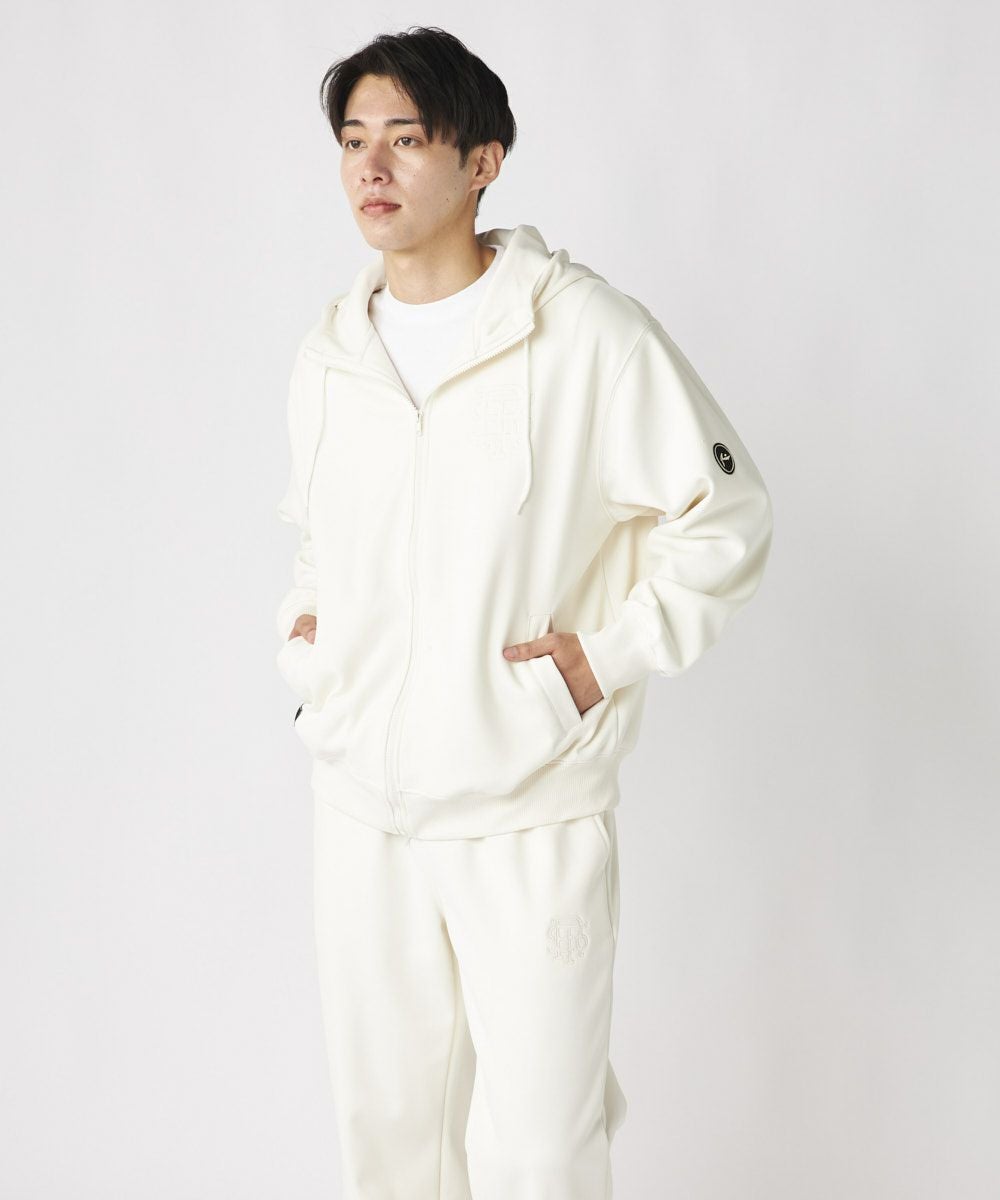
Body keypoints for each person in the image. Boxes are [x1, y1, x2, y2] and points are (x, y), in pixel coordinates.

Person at [274, 25, 774, 1200]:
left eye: (405, 139)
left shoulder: (584, 333)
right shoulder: (331, 354)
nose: (371, 168)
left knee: (540, 1152)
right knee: (388, 1142)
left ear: (482, 161)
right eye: (352, 141)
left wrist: (599, 660)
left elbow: (727, 517)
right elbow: (315, 538)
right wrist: (311, 639)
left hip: (526, 814)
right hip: (361, 813)